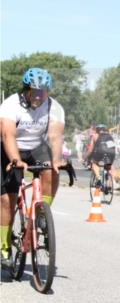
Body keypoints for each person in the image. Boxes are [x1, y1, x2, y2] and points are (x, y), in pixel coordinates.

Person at [1, 68, 65, 266]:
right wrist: (15, 160)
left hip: (36, 146)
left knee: (52, 170)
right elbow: (8, 135)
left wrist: (56, 159)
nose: (39, 96)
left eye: (43, 92)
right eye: (35, 92)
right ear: (26, 90)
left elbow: (55, 136)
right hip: (9, 147)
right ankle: (3, 246)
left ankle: (41, 214)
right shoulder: (11, 104)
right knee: (6, 199)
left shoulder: (54, 107)